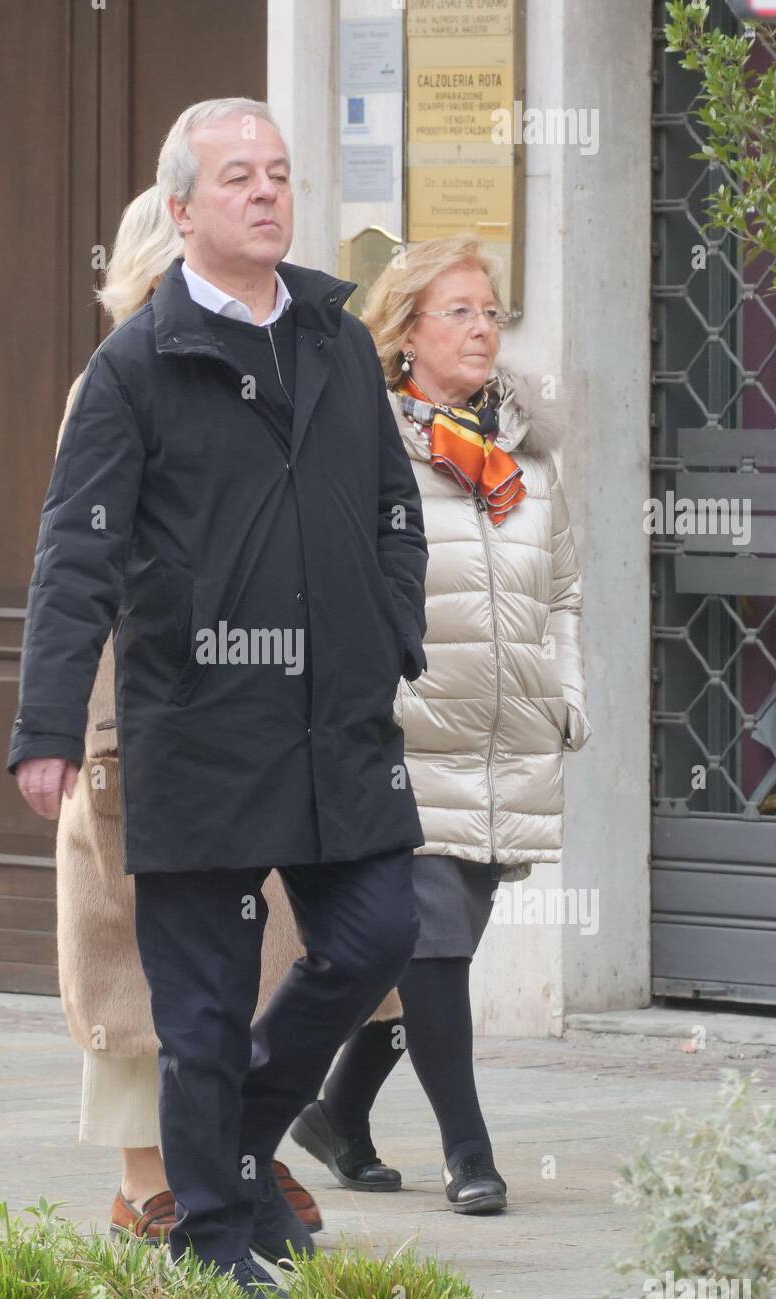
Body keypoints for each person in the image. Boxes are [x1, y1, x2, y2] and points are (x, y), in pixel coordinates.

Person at [7, 98, 428, 1298]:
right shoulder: (132, 367)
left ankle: (237, 1145)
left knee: (375, 934)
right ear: (181, 209)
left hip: (335, 722)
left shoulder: (338, 338)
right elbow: (75, 555)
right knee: (195, 1005)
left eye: (280, 174)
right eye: (236, 176)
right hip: (195, 726)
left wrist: (389, 625)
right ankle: (207, 1237)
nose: (264, 193)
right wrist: (46, 727)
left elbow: (396, 507)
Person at [291, 235, 592, 1215]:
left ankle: (334, 1111)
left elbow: (562, 592)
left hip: (505, 739)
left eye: (488, 311)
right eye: (456, 310)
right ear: (404, 332)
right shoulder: (370, 444)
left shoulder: (526, 456)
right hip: (406, 733)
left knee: (421, 945)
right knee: (429, 942)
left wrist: (567, 688)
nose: (479, 328)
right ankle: (470, 1153)